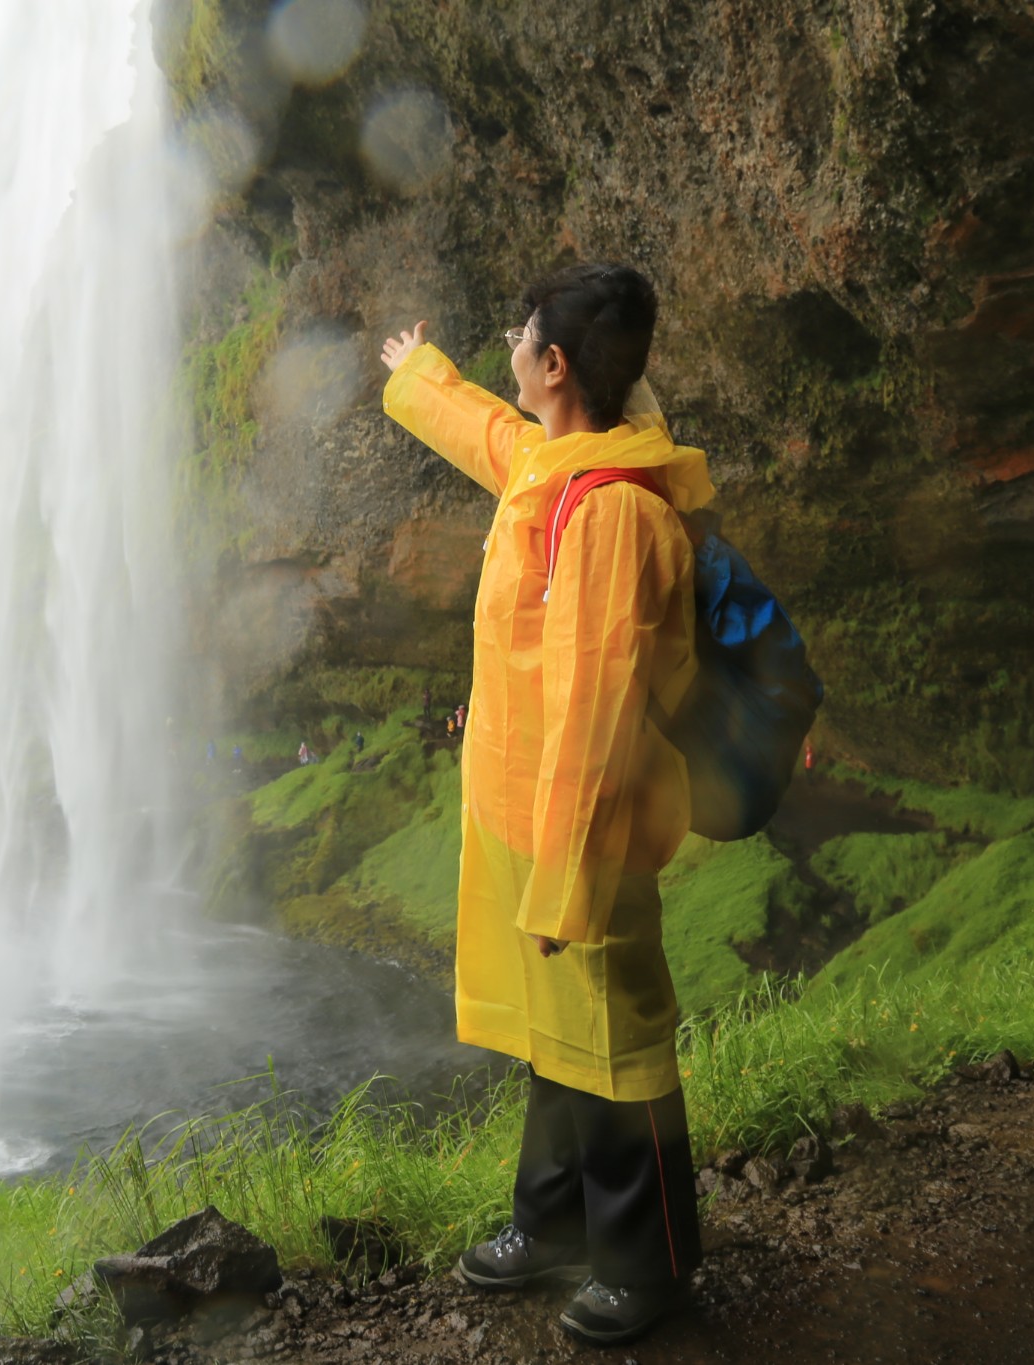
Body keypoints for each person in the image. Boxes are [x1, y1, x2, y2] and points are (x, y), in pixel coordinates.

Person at [380, 263, 713, 1346]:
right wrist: (415, 373)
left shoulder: (612, 513)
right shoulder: (558, 463)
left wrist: (570, 871)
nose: (508, 355)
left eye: (518, 340)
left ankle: (649, 1263)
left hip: (587, 831)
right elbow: (489, 436)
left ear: (554, 364)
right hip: (523, 817)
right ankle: (553, 1223)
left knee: (614, 1048)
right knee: (554, 1040)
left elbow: (596, 706)